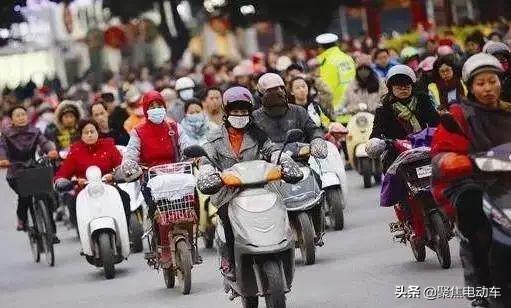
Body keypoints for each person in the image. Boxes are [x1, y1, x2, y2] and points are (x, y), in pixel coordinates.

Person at [431, 53, 511, 308]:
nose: (488, 88)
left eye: (492, 81)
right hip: (472, 181)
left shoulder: (508, 113)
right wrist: (452, 161)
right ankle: (481, 287)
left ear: (500, 82)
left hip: (506, 183)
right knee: (473, 212)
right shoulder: (457, 116)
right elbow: (441, 153)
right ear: (470, 86)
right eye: (481, 83)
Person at [197, 86, 301, 280]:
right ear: (227, 113)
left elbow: (272, 151)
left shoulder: (258, 133)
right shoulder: (214, 137)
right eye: (235, 111)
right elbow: (206, 160)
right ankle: (229, 257)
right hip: (228, 192)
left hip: (261, 188)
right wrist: (207, 172)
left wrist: (285, 161)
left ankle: (283, 244)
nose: (240, 115)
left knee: (279, 208)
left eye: (243, 111)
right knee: (227, 218)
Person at [368, 65, 439, 248]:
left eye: (407, 84)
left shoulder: (423, 99)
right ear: (390, 87)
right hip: (398, 155)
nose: (403, 88)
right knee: (399, 186)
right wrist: (379, 142)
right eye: (398, 85)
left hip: (427, 148)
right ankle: (405, 217)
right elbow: (376, 133)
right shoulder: (383, 109)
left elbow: (436, 121)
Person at [121, 90, 192, 265]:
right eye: (152, 106)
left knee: (190, 206)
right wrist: (131, 167)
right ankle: (162, 246)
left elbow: (187, 146)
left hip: (176, 175)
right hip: (150, 178)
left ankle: (191, 240)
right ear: (145, 110)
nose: (156, 109)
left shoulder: (174, 127)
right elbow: (130, 156)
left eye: (159, 105)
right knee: (158, 213)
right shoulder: (138, 132)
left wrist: (194, 157)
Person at [54, 120, 130, 227]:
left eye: (92, 131)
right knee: (74, 204)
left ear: (97, 132)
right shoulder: (75, 151)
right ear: (81, 135)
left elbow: (120, 166)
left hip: (108, 188)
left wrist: (113, 176)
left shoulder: (108, 146)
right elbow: (62, 174)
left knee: (124, 197)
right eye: (86, 132)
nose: (90, 134)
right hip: (84, 192)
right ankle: (84, 234)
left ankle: (126, 229)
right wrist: (71, 181)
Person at [0, 105, 58, 233]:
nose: (21, 117)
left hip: (33, 167)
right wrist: (3, 159)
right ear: (12, 120)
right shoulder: (6, 134)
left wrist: (51, 150)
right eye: (17, 115)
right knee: (24, 196)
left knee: (45, 195)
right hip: (15, 170)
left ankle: (51, 231)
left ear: (27, 116)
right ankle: (22, 219)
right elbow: (2, 148)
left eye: (23, 114)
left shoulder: (35, 131)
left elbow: (44, 142)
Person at [253, 73, 325, 147]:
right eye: (270, 91)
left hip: (301, 155)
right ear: (261, 95)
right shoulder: (255, 118)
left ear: (284, 91)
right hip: (269, 156)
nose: (275, 93)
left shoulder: (299, 111)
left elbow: (313, 129)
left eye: (278, 89)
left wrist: (317, 139)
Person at [315, 33, 356, 116]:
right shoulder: (348, 58)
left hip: (337, 110)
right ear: (336, 44)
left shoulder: (328, 62)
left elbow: (327, 89)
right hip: (353, 106)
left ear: (320, 47)